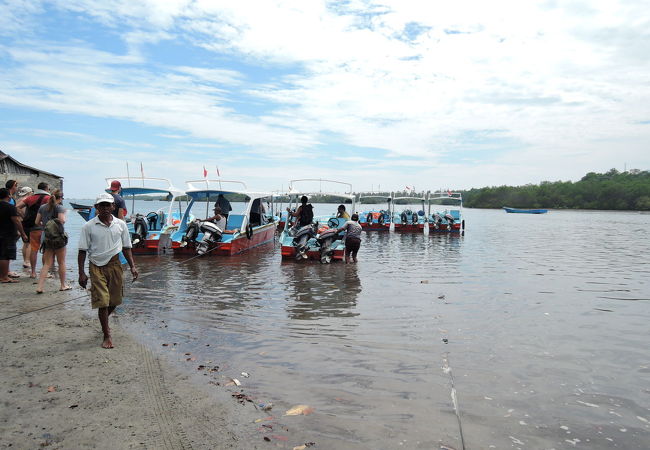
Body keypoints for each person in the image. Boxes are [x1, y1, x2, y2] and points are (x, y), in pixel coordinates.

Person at [78, 193, 138, 349]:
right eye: (101, 205)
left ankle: (103, 320)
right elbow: (82, 250)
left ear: (113, 206)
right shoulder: (88, 226)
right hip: (96, 266)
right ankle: (107, 334)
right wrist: (81, 273)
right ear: (96, 208)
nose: (105, 208)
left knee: (115, 300)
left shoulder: (120, 225)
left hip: (115, 264)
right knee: (102, 301)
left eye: (108, 205)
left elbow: (126, 247)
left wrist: (132, 266)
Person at [35, 189, 70, 293]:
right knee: (61, 262)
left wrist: (46, 226)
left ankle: (40, 287)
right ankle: (63, 285)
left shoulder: (42, 207)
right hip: (58, 237)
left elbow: (37, 222)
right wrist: (65, 215)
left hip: (46, 237)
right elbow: (62, 220)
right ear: (60, 198)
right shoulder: (60, 207)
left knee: (47, 263)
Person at [16, 182, 50, 278]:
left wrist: (24, 216)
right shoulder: (48, 198)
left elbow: (17, 207)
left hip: (30, 225)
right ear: (46, 188)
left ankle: (33, 272)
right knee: (45, 249)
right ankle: (45, 272)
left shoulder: (30, 198)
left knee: (32, 248)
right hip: (42, 226)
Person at [0, 188, 28, 283]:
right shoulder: (10, 207)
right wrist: (23, 234)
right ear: (8, 196)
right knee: (5, 256)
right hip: (7, 234)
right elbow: (16, 221)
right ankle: (4, 277)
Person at [16, 186, 33, 270]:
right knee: (30, 242)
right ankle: (27, 261)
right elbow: (20, 210)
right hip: (26, 222)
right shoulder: (27, 200)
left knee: (25, 243)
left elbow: (17, 209)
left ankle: (25, 260)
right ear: (29, 192)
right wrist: (25, 217)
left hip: (20, 222)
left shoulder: (18, 200)